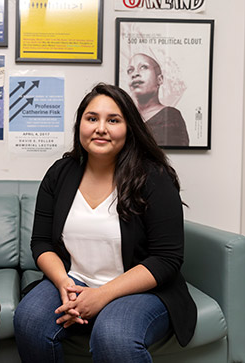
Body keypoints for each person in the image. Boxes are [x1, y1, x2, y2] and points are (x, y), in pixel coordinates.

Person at [14, 83, 196, 362]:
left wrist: (101, 296)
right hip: (73, 280)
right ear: (80, 126)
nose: (101, 128)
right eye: (92, 118)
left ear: (129, 128)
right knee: (29, 321)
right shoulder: (60, 173)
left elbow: (167, 259)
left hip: (141, 290)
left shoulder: (153, 177)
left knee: (113, 334)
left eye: (113, 120)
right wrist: (64, 283)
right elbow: (40, 243)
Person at [127, 53, 189, 147]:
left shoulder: (170, 116)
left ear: (159, 79)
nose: (135, 74)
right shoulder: (124, 117)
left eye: (143, 67)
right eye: (130, 70)